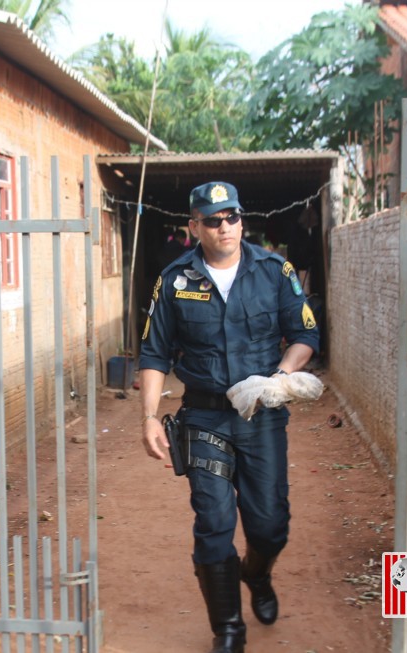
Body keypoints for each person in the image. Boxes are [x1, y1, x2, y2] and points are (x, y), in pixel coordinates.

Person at [138, 181, 320, 653]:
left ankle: (257, 574)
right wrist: (150, 416)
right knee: (214, 521)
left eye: (232, 216)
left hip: (262, 415)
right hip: (203, 418)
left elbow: (304, 335)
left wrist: (278, 377)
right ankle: (229, 629)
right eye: (214, 220)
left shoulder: (273, 270)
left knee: (269, 524)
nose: (226, 227)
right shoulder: (176, 279)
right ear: (194, 226)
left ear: (242, 219)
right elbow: (154, 353)